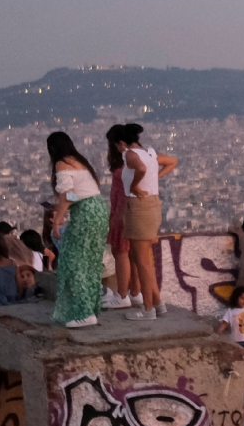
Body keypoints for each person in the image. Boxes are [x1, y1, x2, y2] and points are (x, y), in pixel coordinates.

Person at [46, 132, 107, 329]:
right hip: (98, 209)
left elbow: (68, 195)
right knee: (90, 262)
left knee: (73, 263)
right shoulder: (79, 162)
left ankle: (84, 313)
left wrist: (57, 220)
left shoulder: (62, 163)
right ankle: (90, 308)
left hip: (85, 213)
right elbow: (75, 193)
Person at [120, 123, 178, 321]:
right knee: (141, 259)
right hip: (153, 206)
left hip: (139, 207)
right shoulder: (151, 154)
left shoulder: (129, 154)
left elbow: (141, 168)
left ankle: (148, 310)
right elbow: (172, 162)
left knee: (142, 262)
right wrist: (155, 177)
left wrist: (135, 185)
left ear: (121, 142)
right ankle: (157, 304)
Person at [103, 125, 137, 309]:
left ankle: (123, 295)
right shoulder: (131, 158)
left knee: (121, 252)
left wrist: (119, 215)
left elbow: (127, 189)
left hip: (123, 211)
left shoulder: (129, 159)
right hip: (123, 210)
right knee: (129, 253)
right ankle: (134, 293)